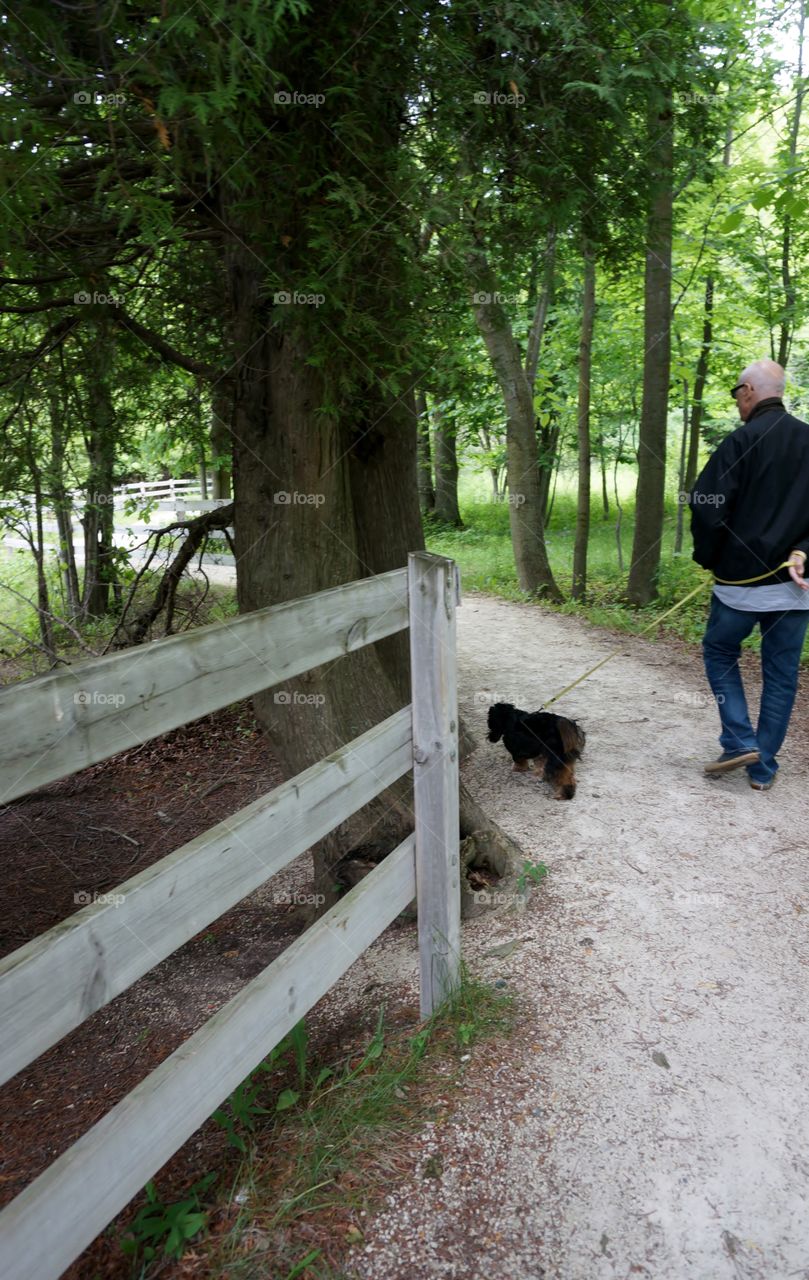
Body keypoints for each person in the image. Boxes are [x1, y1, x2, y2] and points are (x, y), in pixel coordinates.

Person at [689, 357, 809, 790]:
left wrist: (713, 558)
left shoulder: (739, 443)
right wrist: (803, 552)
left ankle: (740, 740)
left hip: (739, 589)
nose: (737, 402)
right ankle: (762, 769)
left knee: (720, 653)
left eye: (737, 393)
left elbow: (705, 508)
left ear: (749, 391)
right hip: (794, 592)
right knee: (781, 674)